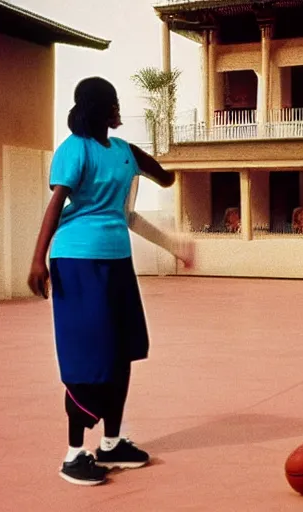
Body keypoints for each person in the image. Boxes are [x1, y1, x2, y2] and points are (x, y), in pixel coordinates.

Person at [27, 77, 194, 486]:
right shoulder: (74, 149)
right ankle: (73, 454)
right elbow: (56, 205)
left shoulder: (122, 152)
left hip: (117, 261)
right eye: (113, 103)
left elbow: (166, 179)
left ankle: (112, 443)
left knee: (121, 351)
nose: (119, 108)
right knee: (88, 355)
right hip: (76, 260)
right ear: (99, 108)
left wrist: (139, 156)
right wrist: (38, 260)